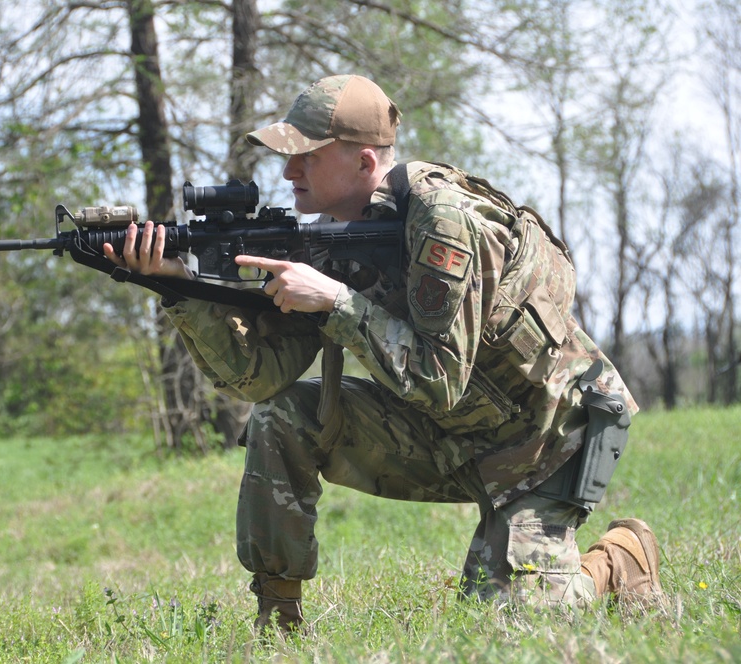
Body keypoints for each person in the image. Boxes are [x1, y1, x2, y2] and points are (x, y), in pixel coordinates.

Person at [103, 74, 664, 633]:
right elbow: (256, 378)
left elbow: (440, 378)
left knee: (513, 630)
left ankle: (614, 560)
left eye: (306, 157)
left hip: (541, 442)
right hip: (443, 432)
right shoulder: (330, 239)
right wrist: (175, 286)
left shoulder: (444, 222)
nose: (287, 172)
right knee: (282, 414)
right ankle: (278, 625)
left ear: (365, 162)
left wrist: (337, 301)